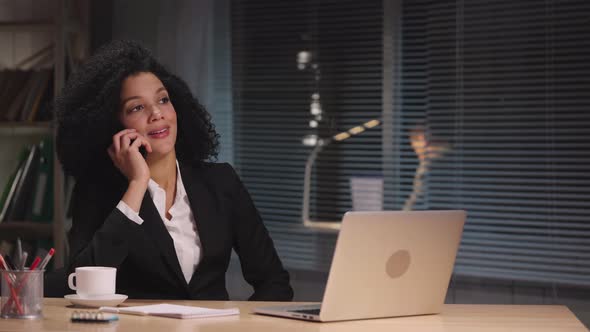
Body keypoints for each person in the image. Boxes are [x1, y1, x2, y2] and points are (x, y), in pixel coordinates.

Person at [55, 40, 293, 301]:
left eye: (163, 99)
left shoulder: (221, 182)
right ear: (112, 126)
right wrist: (137, 184)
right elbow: (79, 284)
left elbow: (274, 282)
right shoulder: (98, 193)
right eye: (137, 107)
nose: (157, 113)